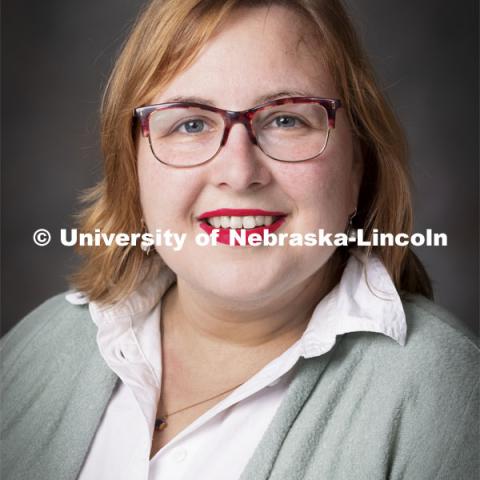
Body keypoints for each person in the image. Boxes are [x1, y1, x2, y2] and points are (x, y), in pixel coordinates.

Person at [1, 0, 478, 479]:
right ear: (133, 169)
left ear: (358, 164)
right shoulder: (39, 345)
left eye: (286, 120)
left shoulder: (443, 393)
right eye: (190, 123)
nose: (238, 171)